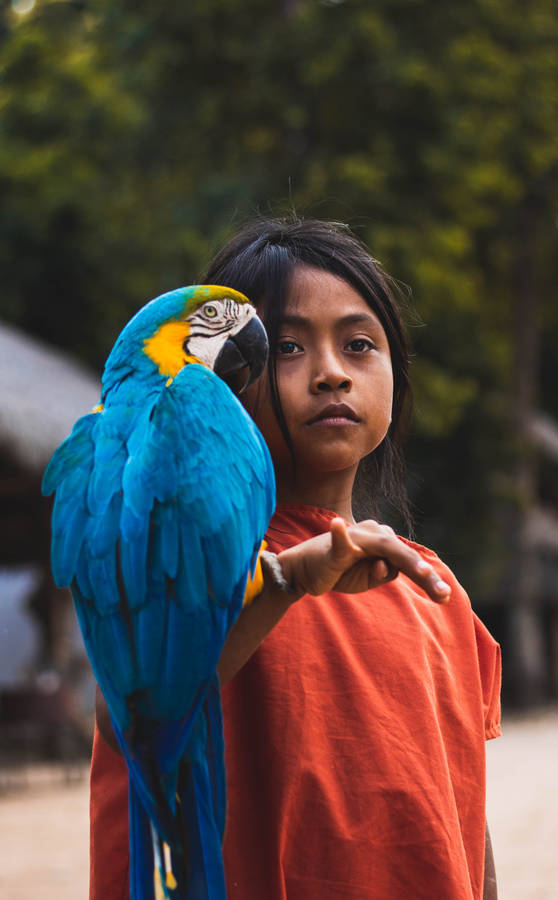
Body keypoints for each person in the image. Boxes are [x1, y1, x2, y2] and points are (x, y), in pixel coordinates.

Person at [90, 218, 501, 900]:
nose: (332, 372)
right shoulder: (180, 564)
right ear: (220, 374)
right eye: (285, 347)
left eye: (360, 345)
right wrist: (284, 580)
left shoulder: (432, 589)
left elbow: (466, 820)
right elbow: (135, 712)